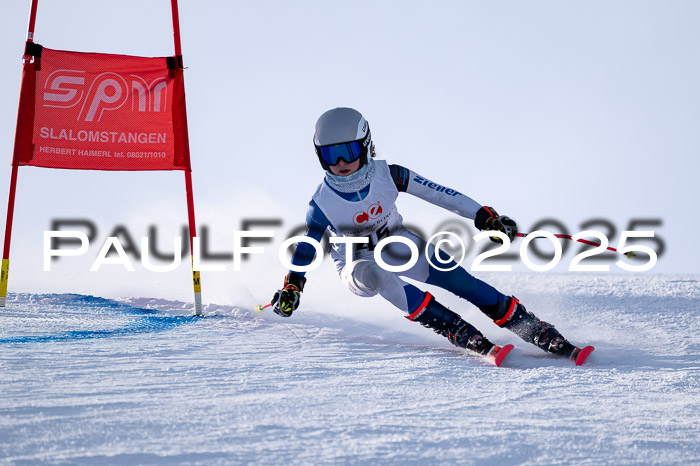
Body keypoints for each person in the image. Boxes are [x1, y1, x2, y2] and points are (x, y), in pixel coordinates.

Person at [269, 107, 582, 361]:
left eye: (348, 151)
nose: (341, 164)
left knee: (462, 283)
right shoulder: (322, 201)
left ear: (364, 145)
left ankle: (534, 329)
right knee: (375, 274)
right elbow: (309, 244)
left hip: (396, 241)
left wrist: (484, 216)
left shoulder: (389, 175)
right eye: (330, 155)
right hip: (354, 261)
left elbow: (440, 194)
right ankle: (455, 329)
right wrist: (293, 284)